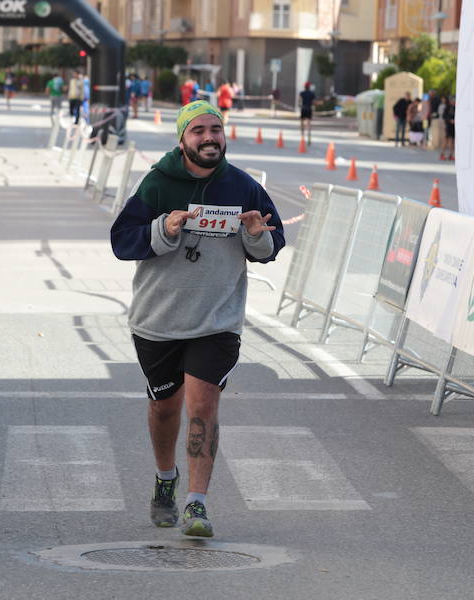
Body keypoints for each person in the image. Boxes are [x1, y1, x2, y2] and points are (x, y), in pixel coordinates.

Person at [110, 100, 285, 538]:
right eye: (199, 131)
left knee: (202, 405)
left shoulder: (243, 186)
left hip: (217, 319)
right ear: (182, 139)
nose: (209, 137)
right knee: (164, 407)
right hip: (159, 319)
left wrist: (257, 236)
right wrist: (164, 231)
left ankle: (196, 504)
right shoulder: (157, 183)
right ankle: (166, 479)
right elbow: (122, 241)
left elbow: (270, 242)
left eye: (216, 129)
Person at [439, 95, 455, 161]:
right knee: (446, 140)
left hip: (454, 127)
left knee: (453, 141)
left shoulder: (456, 107)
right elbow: (444, 116)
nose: (453, 102)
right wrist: (450, 120)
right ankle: (442, 154)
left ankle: (451, 155)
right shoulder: (447, 107)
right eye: (452, 100)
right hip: (449, 126)